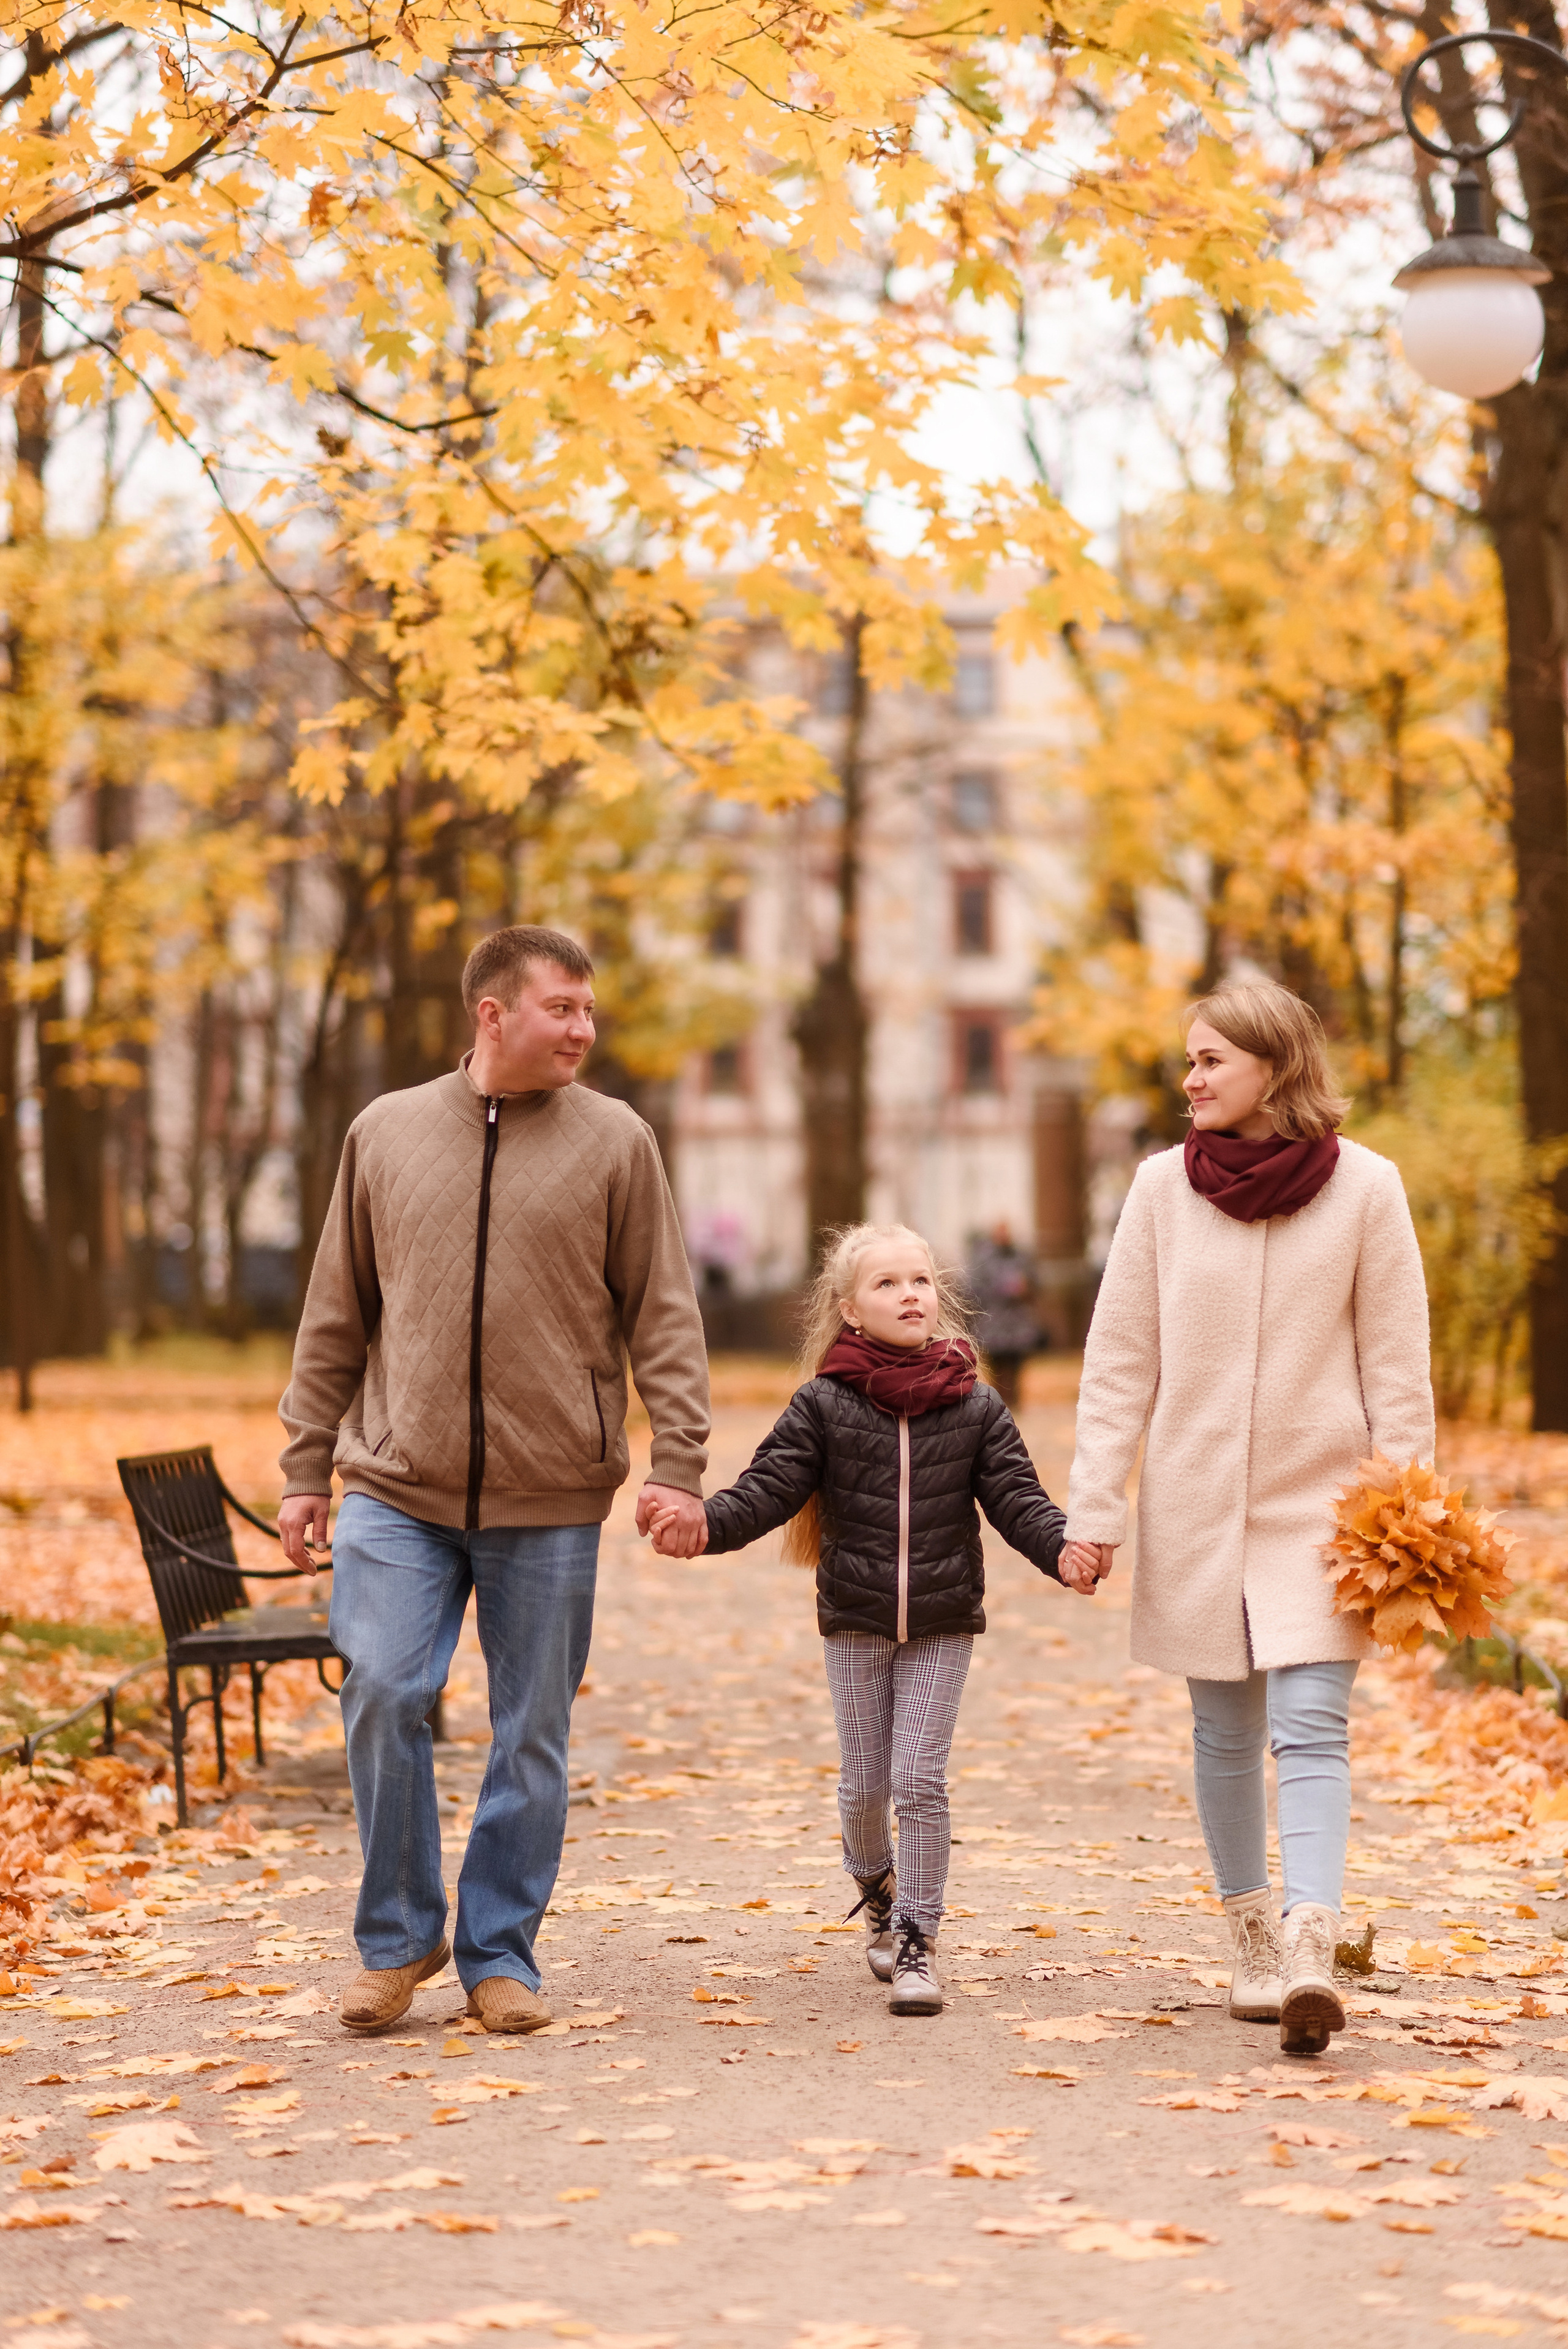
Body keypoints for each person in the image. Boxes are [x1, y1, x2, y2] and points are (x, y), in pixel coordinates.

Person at [276, 925, 711, 2038]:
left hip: (553, 1487)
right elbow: (337, 1310)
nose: (584, 1027)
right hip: (393, 1479)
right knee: (381, 1686)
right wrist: (304, 1465)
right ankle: (399, 1936)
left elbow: (662, 1313)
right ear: (493, 1012)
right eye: (563, 1006)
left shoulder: (616, 1141)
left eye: (588, 1009)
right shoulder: (383, 1132)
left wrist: (680, 1464)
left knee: (531, 1731)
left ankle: (499, 1948)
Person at [1060, 981, 1432, 2056]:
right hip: (1196, 1500)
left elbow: (1397, 1369)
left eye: (1213, 1058)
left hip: (1329, 1509)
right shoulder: (1157, 1191)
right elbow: (1119, 1361)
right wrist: (1097, 1509)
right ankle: (1254, 1936)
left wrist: (1406, 1527)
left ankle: (1314, 1939)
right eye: (1191, 1059)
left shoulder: (1368, 1188)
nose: (1192, 1078)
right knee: (1223, 1731)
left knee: (1312, 1721)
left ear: (1277, 1063)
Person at [649, 1222, 1088, 2017]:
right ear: (850, 1310)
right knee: (864, 1788)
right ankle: (876, 1889)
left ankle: (918, 1937)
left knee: (918, 1778)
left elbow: (1018, 1499)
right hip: (854, 1617)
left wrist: (1064, 1550)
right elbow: (766, 1491)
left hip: (942, 1618)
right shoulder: (824, 1403)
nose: (910, 1293)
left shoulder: (975, 1403)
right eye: (887, 1283)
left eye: (920, 1279)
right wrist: (703, 1526)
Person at [965, 1221, 1038, 1410]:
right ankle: (999, 1404)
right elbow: (973, 1289)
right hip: (994, 1322)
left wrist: (1026, 1288)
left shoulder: (1021, 1256)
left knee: (1016, 1363)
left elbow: (1037, 1282)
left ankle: (1016, 1402)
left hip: (1017, 1322)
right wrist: (1002, 1289)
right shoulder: (983, 1259)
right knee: (996, 1365)